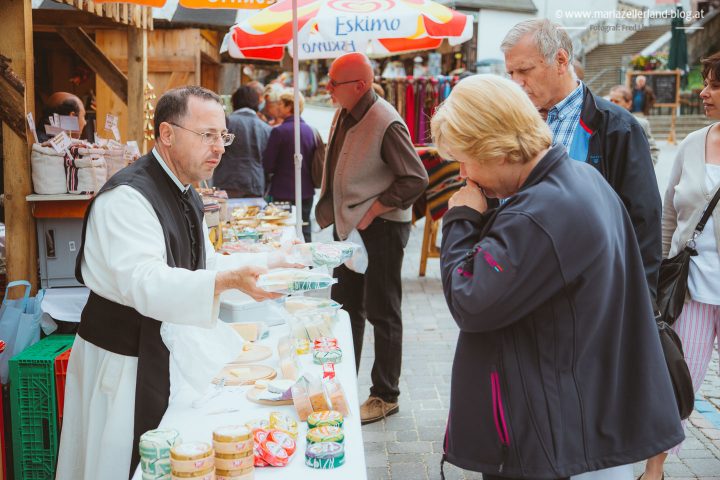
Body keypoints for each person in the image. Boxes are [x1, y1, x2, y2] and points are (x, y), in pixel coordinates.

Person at [433, 73, 683, 480]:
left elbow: (469, 300)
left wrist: (461, 218)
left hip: (555, 441)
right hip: (581, 422)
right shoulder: (580, 179)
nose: (464, 173)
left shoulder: (539, 211)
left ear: (494, 147)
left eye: (465, 157)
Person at [56, 86, 290, 480]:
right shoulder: (127, 198)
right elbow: (146, 283)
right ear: (167, 134)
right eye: (207, 135)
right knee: (115, 462)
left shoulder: (185, 192)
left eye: (223, 136)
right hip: (123, 361)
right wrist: (226, 279)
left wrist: (271, 261)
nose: (219, 148)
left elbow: (204, 262)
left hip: (159, 351)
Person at [502, 19, 663, 301]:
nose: (516, 82)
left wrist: (641, 303)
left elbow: (644, 219)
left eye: (524, 70)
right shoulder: (510, 123)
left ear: (561, 60)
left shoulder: (617, 127)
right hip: (523, 290)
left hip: (592, 293)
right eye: (511, 73)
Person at [315, 52, 428, 424]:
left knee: (383, 310)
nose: (327, 88)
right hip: (352, 227)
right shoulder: (344, 111)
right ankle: (342, 382)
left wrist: (375, 209)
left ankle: (385, 395)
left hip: (380, 228)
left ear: (359, 85)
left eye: (334, 83)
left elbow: (415, 179)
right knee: (345, 307)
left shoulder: (386, 121)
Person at [639, 52, 720, 480]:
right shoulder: (692, 144)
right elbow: (668, 214)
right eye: (705, 82)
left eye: (713, 85)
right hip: (689, 287)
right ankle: (655, 467)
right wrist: (662, 268)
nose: (703, 92)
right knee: (676, 376)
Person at [263, 89, 316, 242]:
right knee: (304, 229)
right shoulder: (310, 131)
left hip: (282, 191)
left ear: (289, 106)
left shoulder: (279, 132)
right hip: (306, 191)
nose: (277, 107)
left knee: (282, 233)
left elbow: (268, 164)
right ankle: (308, 264)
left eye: (280, 103)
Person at [212, 85, 271, 198]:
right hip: (255, 182)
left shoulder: (226, 123)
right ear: (257, 103)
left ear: (234, 102)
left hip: (227, 182)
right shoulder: (266, 128)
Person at [609, 84, 661, 165]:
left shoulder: (641, 124)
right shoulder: (603, 123)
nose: (612, 104)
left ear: (628, 103)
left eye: (617, 101)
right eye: (611, 100)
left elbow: (653, 150)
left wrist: (642, 169)